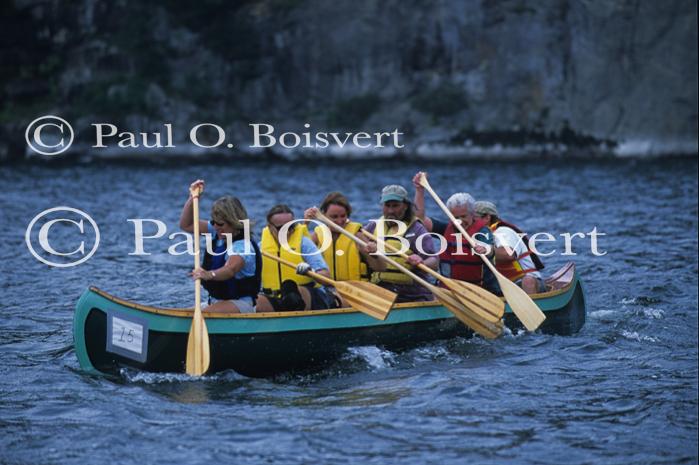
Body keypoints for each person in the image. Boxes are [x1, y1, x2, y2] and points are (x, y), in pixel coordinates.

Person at [179, 179, 261, 313]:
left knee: (198, 314)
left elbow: (230, 270)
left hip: (240, 304)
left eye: (220, 224)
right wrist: (193, 198)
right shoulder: (219, 230)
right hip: (216, 302)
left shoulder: (242, 246)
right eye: (213, 222)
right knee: (180, 314)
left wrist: (209, 274)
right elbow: (186, 225)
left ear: (234, 223)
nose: (215, 227)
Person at [412, 172, 499, 293]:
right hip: (450, 289)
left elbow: (490, 250)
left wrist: (485, 250)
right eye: (455, 217)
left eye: (464, 216)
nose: (460, 221)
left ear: (472, 214)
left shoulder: (482, 231)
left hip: (481, 290)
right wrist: (419, 190)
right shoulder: (446, 228)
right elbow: (420, 219)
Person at [360, 184, 439, 302]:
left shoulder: (416, 229)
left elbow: (434, 261)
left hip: (411, 294)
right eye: (387, 205)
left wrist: (421, 262)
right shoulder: (372, 227)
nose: (391, 210)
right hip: (381, 291)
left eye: (395, 206)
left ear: (405, 206)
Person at [256, 204, 340, 312]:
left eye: (291, 226)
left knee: (291, 293)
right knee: (255, 302)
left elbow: (326, 276)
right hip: (274, 297)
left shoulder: (304, 243)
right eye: (281, 228)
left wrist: (311, 271)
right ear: (270, 226)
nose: (288, 231)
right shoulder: (261, 247)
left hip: (305, 295)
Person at [474, 200, 546, 294]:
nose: (471, 223)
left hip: (522, 284)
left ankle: (531, 306)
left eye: (474, 219)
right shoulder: (476, 238)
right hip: (499, 287)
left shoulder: (503, 232)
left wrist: (487, 251)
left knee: (528, 281)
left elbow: (508, 254)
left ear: (487, 218)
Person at [303, 192, 369, 282]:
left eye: (343, 216)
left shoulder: (357, 236)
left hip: (354, 290)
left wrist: (374, 254)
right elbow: (298, 251)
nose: (339, 221)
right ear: (324, 215)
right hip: (326, 290)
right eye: (334, 217)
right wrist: (306, 223)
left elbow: (380, 267)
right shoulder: (317, 236)